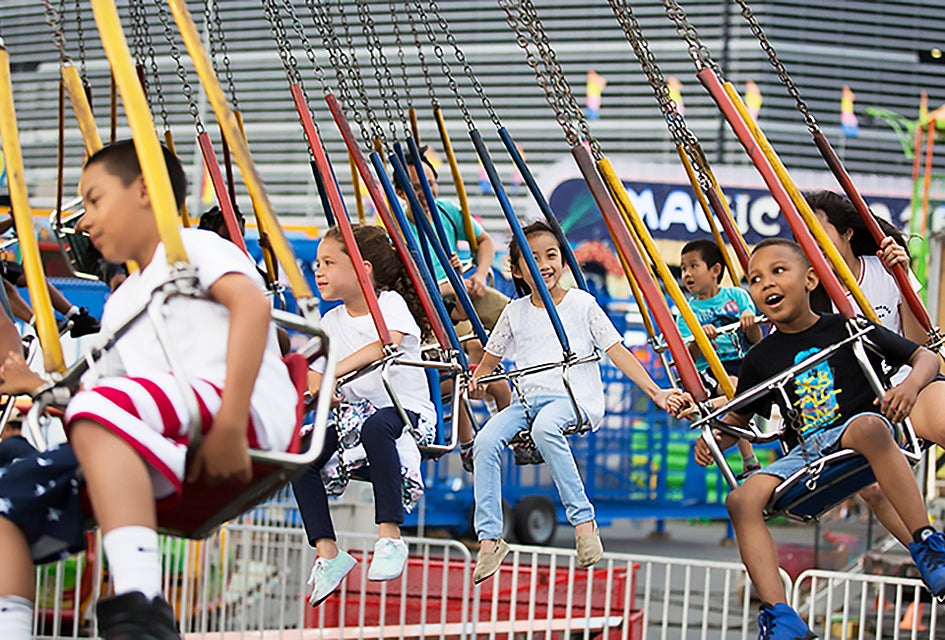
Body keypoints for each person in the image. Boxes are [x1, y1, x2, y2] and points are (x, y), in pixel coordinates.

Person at [0, 139, 299, 640]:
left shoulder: (193, 249)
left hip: (231, 407)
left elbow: (252, 308)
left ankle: (141, 604)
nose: (85, 222)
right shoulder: (122, 303)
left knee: (97, 408)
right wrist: (41, 389)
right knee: (9, 490)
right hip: (160, 430)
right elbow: (101, 410)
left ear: (144, 190)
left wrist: (229, 421)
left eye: (94, 200)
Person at [694, 238, 945, 639]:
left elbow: (925, 358)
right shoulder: (760, 358)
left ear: (811, 279)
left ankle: (927, 542)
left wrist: (910, 388)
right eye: (755, 279)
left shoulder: (846, 326)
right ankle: (781, 616)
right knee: (741, 499)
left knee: (869, 427)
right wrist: (715, 440)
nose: (766, 284)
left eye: (778, 271)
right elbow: (740, 419)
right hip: (808, 452)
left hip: (859, 428)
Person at [469, 221, 690, 584]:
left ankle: (584, 522)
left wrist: (657, 391)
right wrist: (477, 381)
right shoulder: (515, 311)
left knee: (545, 428)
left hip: (573, 398)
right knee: (486, 441)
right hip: (529, 401)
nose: (544, 264)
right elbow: (488, 364)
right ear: (518, 269)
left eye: (551, 255)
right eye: (532, 258)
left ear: (564, 260)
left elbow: (618, 352)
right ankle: (490, 538)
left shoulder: (581, 305)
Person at [293, 224, 436, 607]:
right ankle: (328, 553)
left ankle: (389, 536)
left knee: (376, 427)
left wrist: (333, 372)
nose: (318, 271)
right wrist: (318, 381)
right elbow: (311, 367)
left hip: (405, 414)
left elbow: (383, 345)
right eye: (317, 264)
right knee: (301, 454)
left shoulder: (387, 304)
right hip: (355, 418)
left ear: (363, 268)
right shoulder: (330, 322)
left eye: (328, 263)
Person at [806, 189, 945, 547]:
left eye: (820, 232)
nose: (812, 243)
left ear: (847, 233)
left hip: (909, 382)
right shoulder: (808, 297)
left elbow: (920, 345)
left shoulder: (884, 272)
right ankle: (928, 551)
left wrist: (903, 277)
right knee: (872, 489)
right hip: (862, 406)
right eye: (803, 236)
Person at [678, 239, 762, 477]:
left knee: (744, 396)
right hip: (711, 367)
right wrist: (699, 341)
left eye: (694, 266)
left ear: (715, 270)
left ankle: (713, 409)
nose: (687, 274)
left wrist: (749, 320)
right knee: (736, 391)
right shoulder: (687, 312)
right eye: (684, 269)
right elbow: (689, 357)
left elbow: (755, 339)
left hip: (742, 360)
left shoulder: (738, 296)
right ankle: (749, 459)